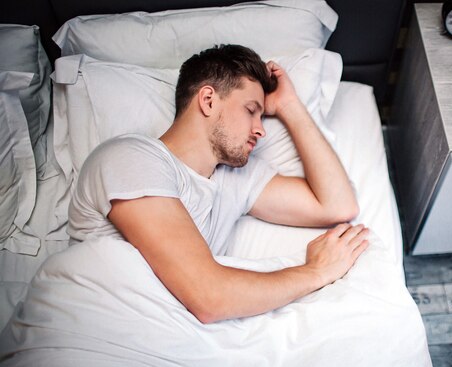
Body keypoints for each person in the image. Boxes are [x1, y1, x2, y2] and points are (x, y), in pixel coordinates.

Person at [67, 45, 369, 324]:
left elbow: (337, 205)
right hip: (103, 325)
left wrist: (290, 106)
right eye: (251, 111)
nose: (261, 129)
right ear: (208, 100)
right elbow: (208, 297)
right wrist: (316, 271)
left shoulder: (235, 180)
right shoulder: (131, 157)